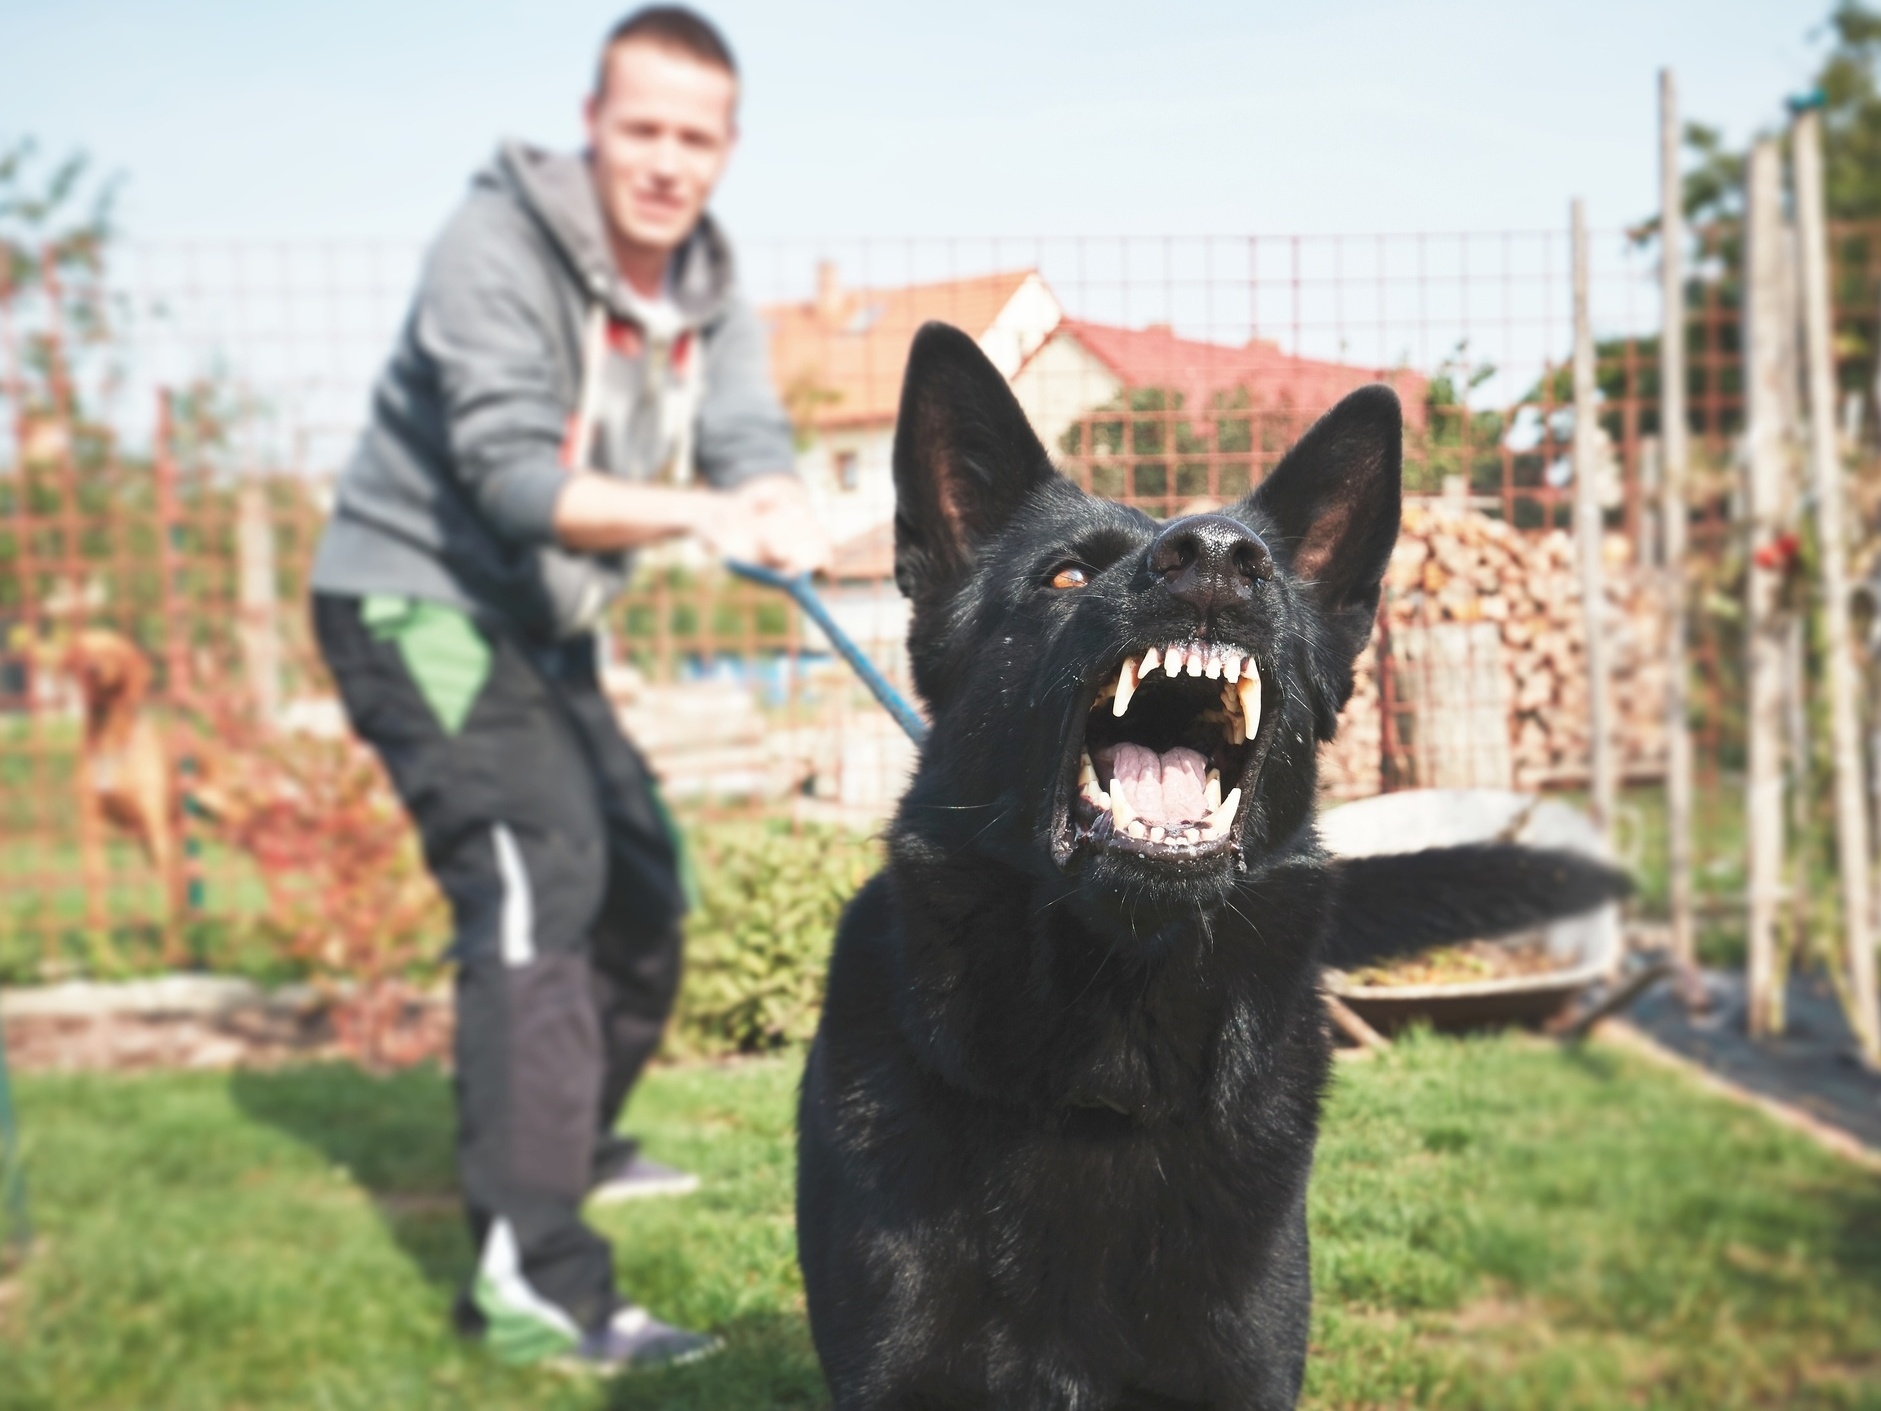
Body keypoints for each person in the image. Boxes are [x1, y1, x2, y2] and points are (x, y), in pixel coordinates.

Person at [308, 6, 826, 1373]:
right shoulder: (494, 248)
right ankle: (534, 1279)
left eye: (693, 138)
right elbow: (508, 478)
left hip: (539, 631)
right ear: (593, 124)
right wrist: (695, 517)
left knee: (645, 884)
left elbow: (745, 435)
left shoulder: (707, 287)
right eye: (641, 129)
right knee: (539, 869)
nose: (665, 161)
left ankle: (572, 1132)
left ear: (726, 148)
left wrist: (768, 496)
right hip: (417, 596)